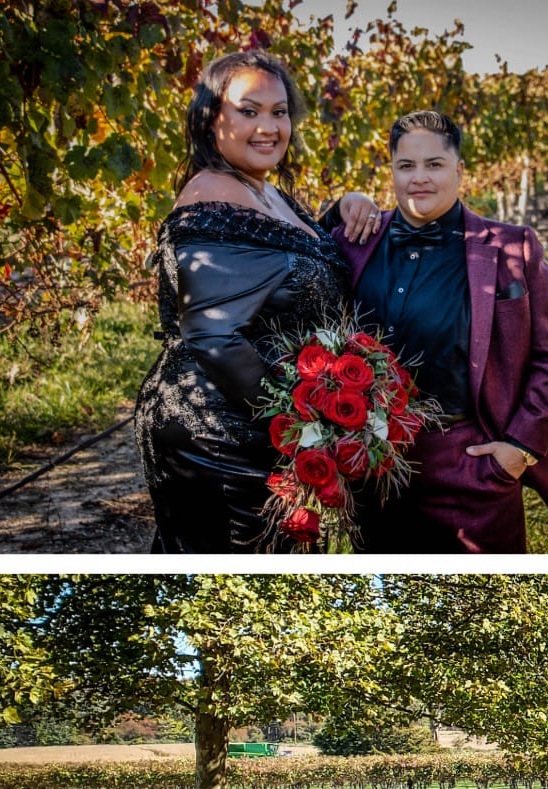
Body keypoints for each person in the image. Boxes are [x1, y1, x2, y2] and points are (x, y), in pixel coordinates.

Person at [135, 50, 382, 552]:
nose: (269, 126)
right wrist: (304, 426)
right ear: (211, 119)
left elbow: (288, 258)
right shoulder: (212, 194)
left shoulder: (267, 191)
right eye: (249, 111)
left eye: (279, 111)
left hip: (253, 426)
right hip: (218, 434)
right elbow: (215, 336)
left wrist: (342, 209)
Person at [330, 110, 548, 553]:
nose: (419, 178)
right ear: (391, 171)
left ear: (459, 171)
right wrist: (343, 200)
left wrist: (517, 449)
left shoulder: (512, 247)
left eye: (434, 164)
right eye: (406, 166)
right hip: (371, 460)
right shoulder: (354, 242)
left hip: (470, 460)